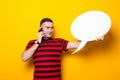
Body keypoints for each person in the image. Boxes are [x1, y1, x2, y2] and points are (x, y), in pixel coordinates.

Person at [22, 18, 104, 80]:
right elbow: (24, 58)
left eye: (52, 28)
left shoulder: (59, 42)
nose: (50, 30)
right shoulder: (32, 43)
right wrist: (38, 42)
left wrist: (94, 37)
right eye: (47, 27)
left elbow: (79, 44)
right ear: (40, 28)